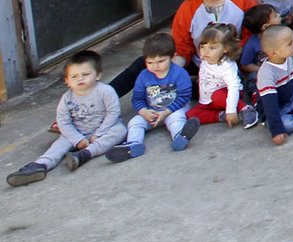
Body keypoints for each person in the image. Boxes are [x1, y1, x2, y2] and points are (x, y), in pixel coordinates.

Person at [7, 50, 123, 186]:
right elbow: (63, 121)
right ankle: (40, 165)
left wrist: (99, 133)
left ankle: (85, 154)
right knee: (59, 145)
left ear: (98, 75)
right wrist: (77, 139)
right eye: (74, 76)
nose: (80, 79)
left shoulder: (105, 91)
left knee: (120, 131)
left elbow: (113, 112)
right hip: (77, 132)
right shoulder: (67, 98)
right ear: (67, 81)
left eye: (85, 74)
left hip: (102, 130)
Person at [105, 34, 197, 163]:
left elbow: (184, 96)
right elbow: (137, 98)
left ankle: (180, 137)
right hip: (151, 111)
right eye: (150, 62)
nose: (155, 66)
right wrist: (143, 111)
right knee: (135, 123)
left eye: (160, 61)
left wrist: (166, 112)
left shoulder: (179, 73)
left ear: (173, 57)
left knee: (176, 119)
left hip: (173, 109)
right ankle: (133, 145)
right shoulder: (144, 76)